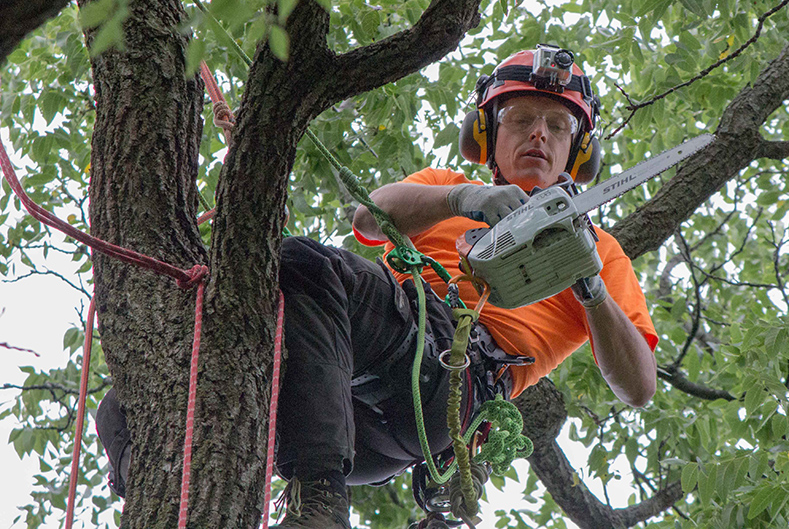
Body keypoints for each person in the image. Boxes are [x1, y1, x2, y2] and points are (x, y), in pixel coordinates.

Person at [94, 45, 658, 529]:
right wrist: (466, 200)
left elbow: (638, 386)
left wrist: (588, 285)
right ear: (488, 134)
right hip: (350, 394)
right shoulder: (445, 188)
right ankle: (155, 500)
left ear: (576, 149)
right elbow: (369, 219)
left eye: (557, 125)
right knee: (137, 395)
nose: (539, 133)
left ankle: (318, 494)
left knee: (305, 263)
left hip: (453, 387)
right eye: (520, 118)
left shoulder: (601, 250)